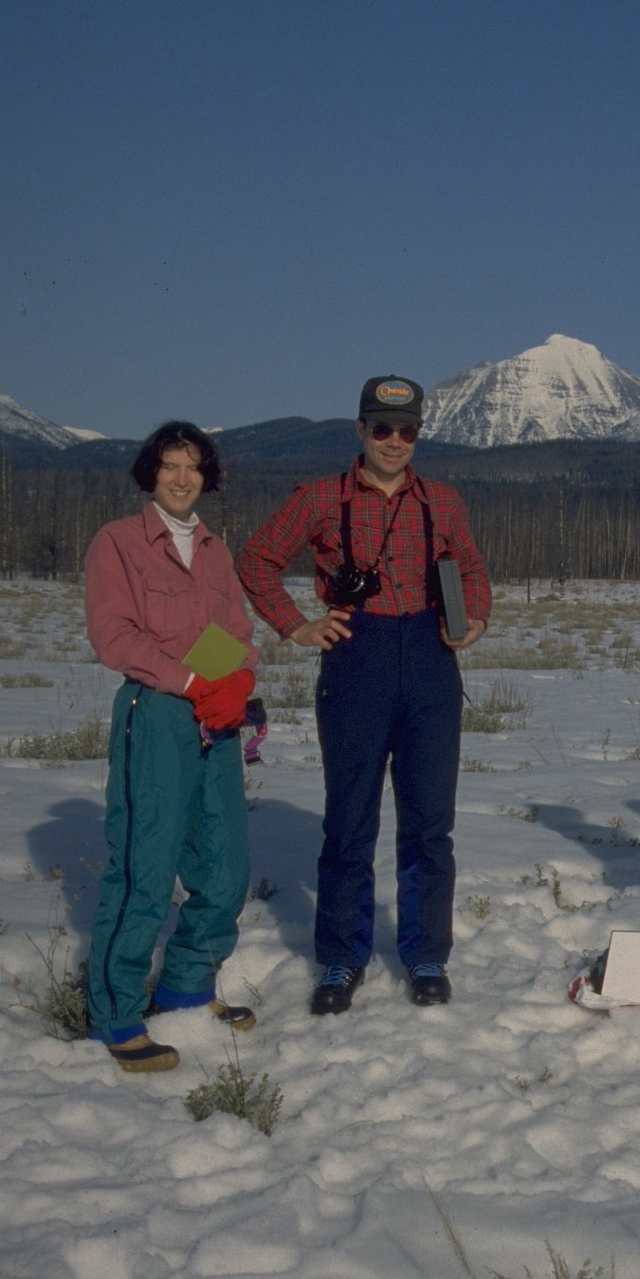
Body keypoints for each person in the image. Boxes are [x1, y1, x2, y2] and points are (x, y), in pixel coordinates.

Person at [236, 375, 490, 1014]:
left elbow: (474, 568)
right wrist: (296, 624)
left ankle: (426, 954)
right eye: (382, 428)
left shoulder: (444, 500)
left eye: (407, 431)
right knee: (349, 821)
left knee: (431, 822)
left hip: (431, 665)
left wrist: (476, 618)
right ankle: (340, 960)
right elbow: (257, 559)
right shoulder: (320, 497)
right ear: (359, 429)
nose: (395, 441)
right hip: (356, 660)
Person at [85, 423, 258, 1073]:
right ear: (149, 472)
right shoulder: (119, 542)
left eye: (193, 467)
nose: (182, 478)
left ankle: (187, 985)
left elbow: (236, 629)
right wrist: (190, 681)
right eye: (170, 466)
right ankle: (117, 1009)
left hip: (214, 715)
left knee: (224, 860)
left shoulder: (214, 549)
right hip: (155, 711)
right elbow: (114, 634)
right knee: (146, 863)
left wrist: (228, 680)